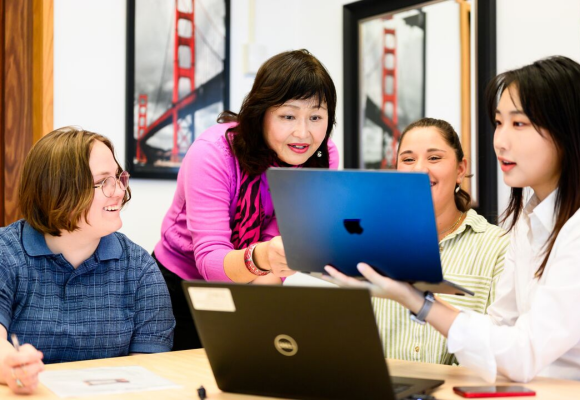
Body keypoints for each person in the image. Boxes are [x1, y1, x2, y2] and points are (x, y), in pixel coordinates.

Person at [326, 56, 580, 383]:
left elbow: (523, 354)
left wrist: (419, 302)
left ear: (567, 131)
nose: (500, 140)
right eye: (498, 123)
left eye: (519, 123)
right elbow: (498, 329)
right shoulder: (526, 223)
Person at [153, 49, 339, 350]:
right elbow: (211, 261)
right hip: (180, 284)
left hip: (252, 282)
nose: (303, 132)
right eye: (288, 115)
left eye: (316, 116)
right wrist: (264, 258)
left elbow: (277, 245)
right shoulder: (213, 153)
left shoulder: (322, 156)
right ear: (260, 113)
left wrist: (255, 309)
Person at [0, 127, 175, 395]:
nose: (118, 191)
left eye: (119, 178)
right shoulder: (6, 253)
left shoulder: (140, 268)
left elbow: (151, 371)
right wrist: (11, 366)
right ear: (57, 191)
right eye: (104, 181)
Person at [373, 118, 508, 364]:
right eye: (408, 159)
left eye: (434, 158)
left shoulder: (500, 247)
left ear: (460, 169)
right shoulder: (371, 243)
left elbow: (501, 347)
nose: (419, 169)